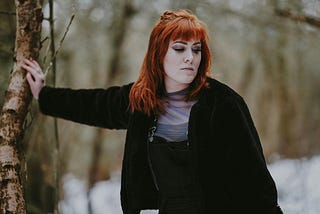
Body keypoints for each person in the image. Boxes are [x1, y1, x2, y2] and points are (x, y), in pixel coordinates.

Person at [22, 9, 283, 214]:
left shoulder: (223, 104)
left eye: (196, 49)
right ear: (159, 54)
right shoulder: (142, 100)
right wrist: (44, 95)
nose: (190, 57)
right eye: (180, 48)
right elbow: (94, 105)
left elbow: (255, 182)